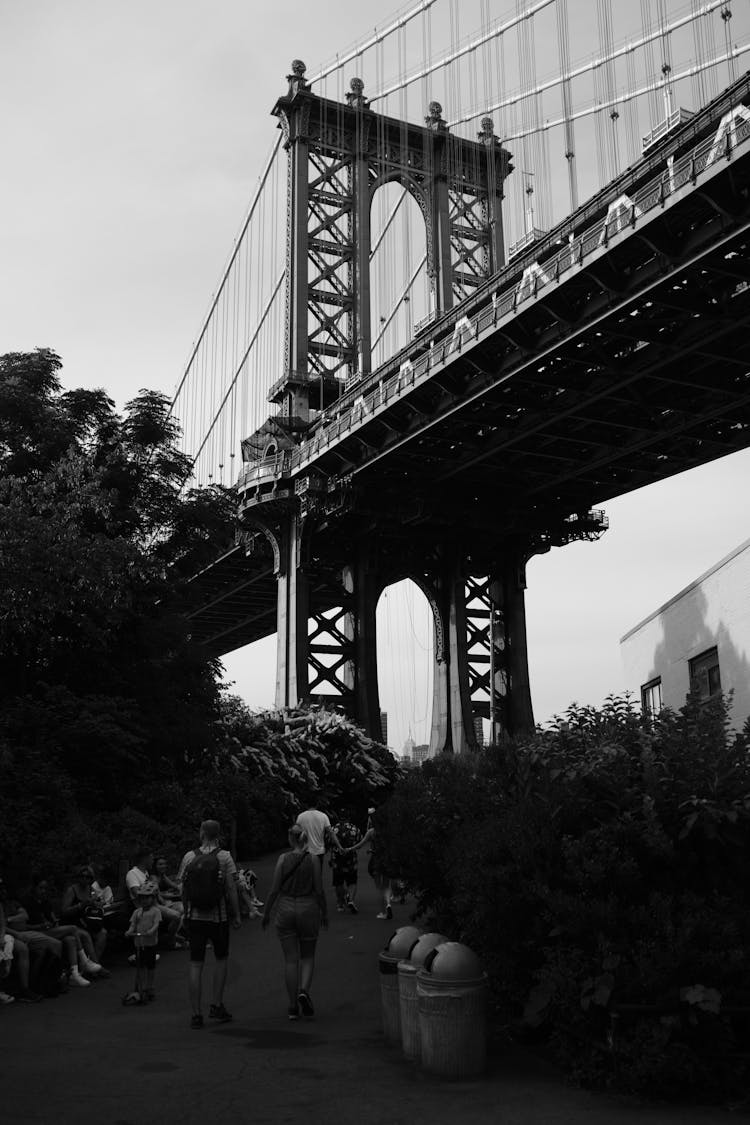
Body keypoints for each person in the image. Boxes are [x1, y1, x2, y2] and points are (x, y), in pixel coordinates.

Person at [177, 819, 241, 1030]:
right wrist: (237, 915)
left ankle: (196, 1014)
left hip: (195, 917)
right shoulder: (224, 857)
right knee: (221, 960)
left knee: (196, 964)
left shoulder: (189, 857)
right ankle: (216, 1004)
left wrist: (186, 912)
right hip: (218, 918)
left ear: (202, 833)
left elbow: (183, 887)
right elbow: (232, 888)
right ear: (218, 834)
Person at [262, 824, 328, 1020]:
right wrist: (324, 912)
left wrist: (266, 913)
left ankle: (292, 1007)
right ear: (305, 839)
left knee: (291, 959)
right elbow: (319, 889)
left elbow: (274, 889)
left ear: (291, 839)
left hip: (286, 907)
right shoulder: (314, 860)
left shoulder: (283, 859)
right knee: (308, 956)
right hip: (308, 908)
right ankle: (304, 990)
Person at [13, 875, 106, 982]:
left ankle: (74, 974)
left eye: (45, 889)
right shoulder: (27, 902)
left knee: (71, 940)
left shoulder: (45, 902)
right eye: (40, 888)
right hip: (36, 931)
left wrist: (53, 922)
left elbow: (52, 918)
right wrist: (39, 926)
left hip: (49, 930)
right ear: (34, 888)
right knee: (73, 929)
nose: (43, 891)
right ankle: (84, 961)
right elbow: (24, 926)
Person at [126, 850, 182, 949]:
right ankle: (170, 940)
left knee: (181, 908)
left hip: (156, 903)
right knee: (176, 916)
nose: (152, 861)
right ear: (145, 859)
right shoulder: (132, 874)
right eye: (151, 859)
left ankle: (169, 936)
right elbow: (137, 892)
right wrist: (152, 890)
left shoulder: (145, 873)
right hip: (146, 907)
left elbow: (155, 891)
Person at [350, 808, 393, 920]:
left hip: (376, 860)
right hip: (387, 859)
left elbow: (360, 844)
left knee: (379, 888)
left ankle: (383, 912)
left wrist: (349, 849)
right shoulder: (389, 832)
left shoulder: (371, 832)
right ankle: (388, 904)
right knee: (387, 885)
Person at [122, 883, 161, 1005]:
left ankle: (150, 987)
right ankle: (140, 987)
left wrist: (151, 931)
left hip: (150, 943)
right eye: (142, 898)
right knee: (140, 966)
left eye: (147, 897)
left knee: (150, 967)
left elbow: (156, 924)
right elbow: (133, 925)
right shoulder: (137, 912)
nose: (144, 900)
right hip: (139, 943)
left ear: (153, 898)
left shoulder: (156, 911)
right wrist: (129, 932)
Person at [61, 864, 108, 962]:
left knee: (103, 933)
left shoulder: (91, 889)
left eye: (88, 877)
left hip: (87, 922)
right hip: (73, 923)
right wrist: (80, 905)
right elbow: (64, 911)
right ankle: (95, 967)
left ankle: (93, 963)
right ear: (78, 877)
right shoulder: (72, 890)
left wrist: (97, 904)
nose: (85, 879)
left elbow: (96, 904)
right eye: (82, 876)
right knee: (85, 935)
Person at [296, 799, 343, 869]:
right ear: (317, 805)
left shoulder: (300, 816)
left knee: (305, 875)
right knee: (317, 874)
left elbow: (296, 833)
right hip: (319, 851)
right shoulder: (323, 816)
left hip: (305, 851)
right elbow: (331, 833)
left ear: (306, 805)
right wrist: (339, 846)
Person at [329, 818, 361, 914]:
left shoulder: (333, 828)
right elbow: (359, 841)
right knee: (352, 881)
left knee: (338, 882)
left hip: (337, 859)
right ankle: (350, 900)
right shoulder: (355, 828)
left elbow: (329, 842)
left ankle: (340, 903)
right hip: (350, 858)